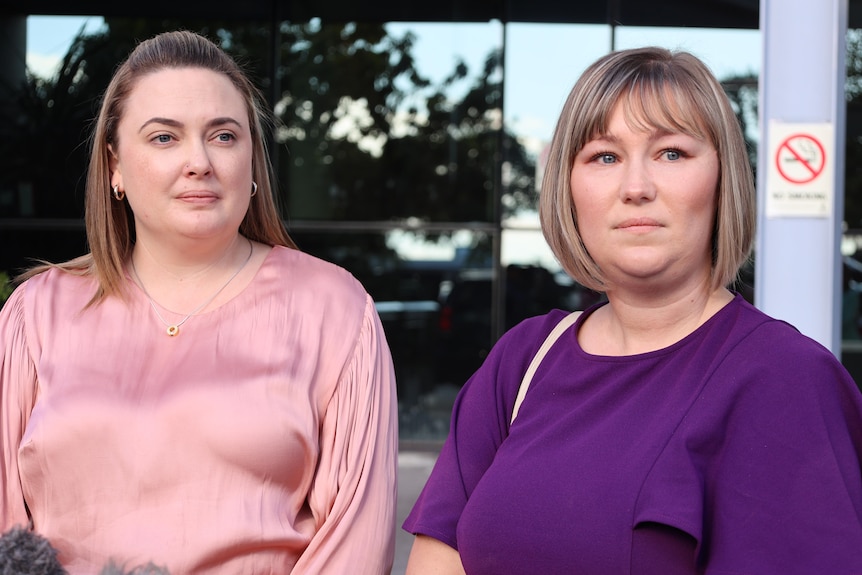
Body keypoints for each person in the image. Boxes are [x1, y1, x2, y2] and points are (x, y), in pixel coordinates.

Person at [402, 47, 862, 574]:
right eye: (604, 156)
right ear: (569, 188)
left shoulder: (787, 380)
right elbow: (436, 559)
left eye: (671, 153)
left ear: (722, 180)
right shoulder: (523, 360)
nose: (636, 188)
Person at [0, 30, 398, 574]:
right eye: (164, 138)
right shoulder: (34, 315)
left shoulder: (335, 310)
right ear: (114, 166)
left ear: (252, 162)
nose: (199, 161)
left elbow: (354, 543)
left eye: (224, 136)